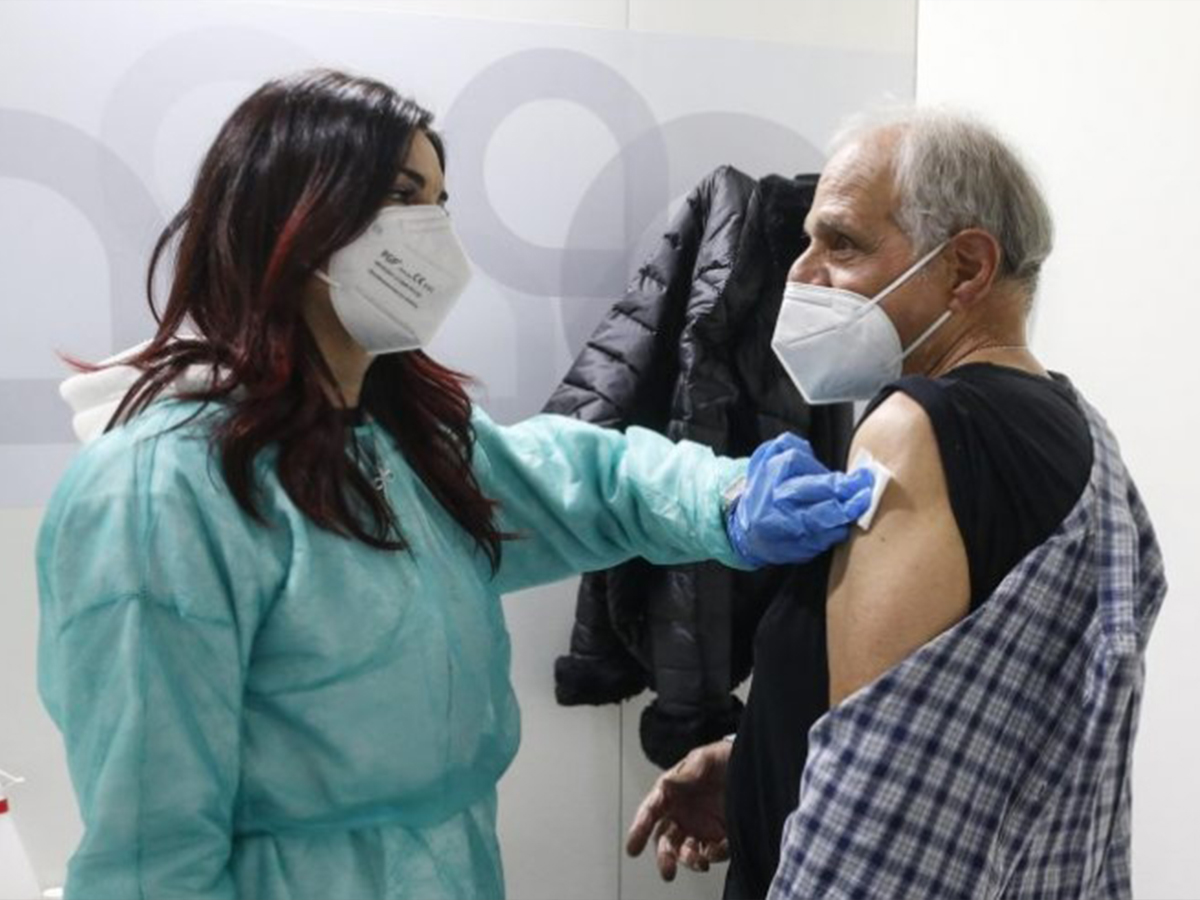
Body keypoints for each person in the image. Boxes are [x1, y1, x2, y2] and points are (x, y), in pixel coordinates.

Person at [35, 70, 874, 900]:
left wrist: (725, 497)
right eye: (403, 197)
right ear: (292, 209)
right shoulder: (160, 493)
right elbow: (150, 853)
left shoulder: (404, 445)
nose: (433, 233)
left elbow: (581, 480)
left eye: (439, 203)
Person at [627, 107, 1165, 899]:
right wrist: (757, 767)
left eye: (841, 243)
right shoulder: (1081, 432)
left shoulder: (915, 430)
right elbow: (963, 730)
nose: (801, 275)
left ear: (966, 268)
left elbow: (868, 803)